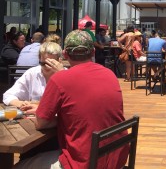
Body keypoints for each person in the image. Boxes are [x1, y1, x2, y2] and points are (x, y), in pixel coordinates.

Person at [13, 30, 128, 169]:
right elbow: (85, 110)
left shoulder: (60, 79)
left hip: (83, 163)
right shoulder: (109, 74)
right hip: (115, 159)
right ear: (92, 52)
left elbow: (40, 123)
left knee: (19, 166)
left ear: (65, 54)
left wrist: (51, 115)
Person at [3, 42, 64, 113]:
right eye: (43, 63)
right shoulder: (32, 73)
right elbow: (8, 95)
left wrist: (61, 75)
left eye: (51, 64)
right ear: (39, 59)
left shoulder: (67, 76)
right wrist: (21, 104)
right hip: (32, 119)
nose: (46, 67)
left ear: (59, 61)